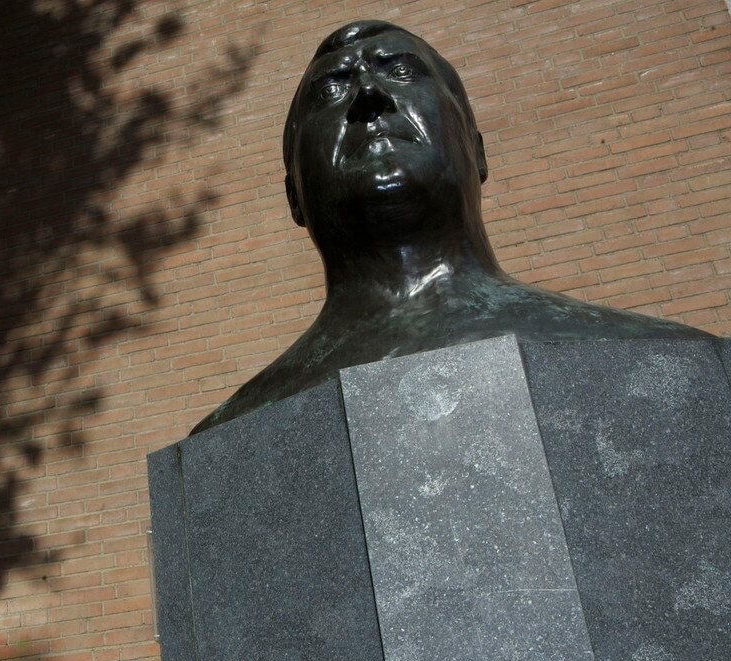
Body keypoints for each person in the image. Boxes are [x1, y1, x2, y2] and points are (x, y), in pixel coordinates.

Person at [192, 20, 711, 434]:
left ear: (478, 151)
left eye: (399, 70)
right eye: (331, 89)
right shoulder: (237, 425)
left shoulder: (662, 357)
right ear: (294, 198)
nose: (368, 93)